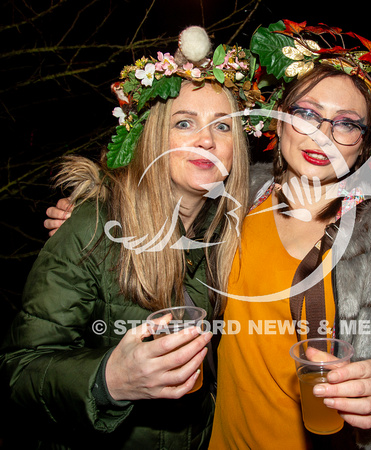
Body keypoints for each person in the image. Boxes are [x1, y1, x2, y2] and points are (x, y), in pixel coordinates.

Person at [42, 20, 371, 449]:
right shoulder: (237, 197)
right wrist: (100, 210)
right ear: (278, 122)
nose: (323, 133)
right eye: (306, 113)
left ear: (364, 144)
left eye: (347, 123)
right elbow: (161, 196)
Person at [0, 27, 251, 449]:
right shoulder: (93, 228)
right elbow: (19, 369)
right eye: (185, 123)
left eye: (223, 127)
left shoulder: (231, 233)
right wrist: (109, 381)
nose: (206, 140)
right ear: (154, 136)